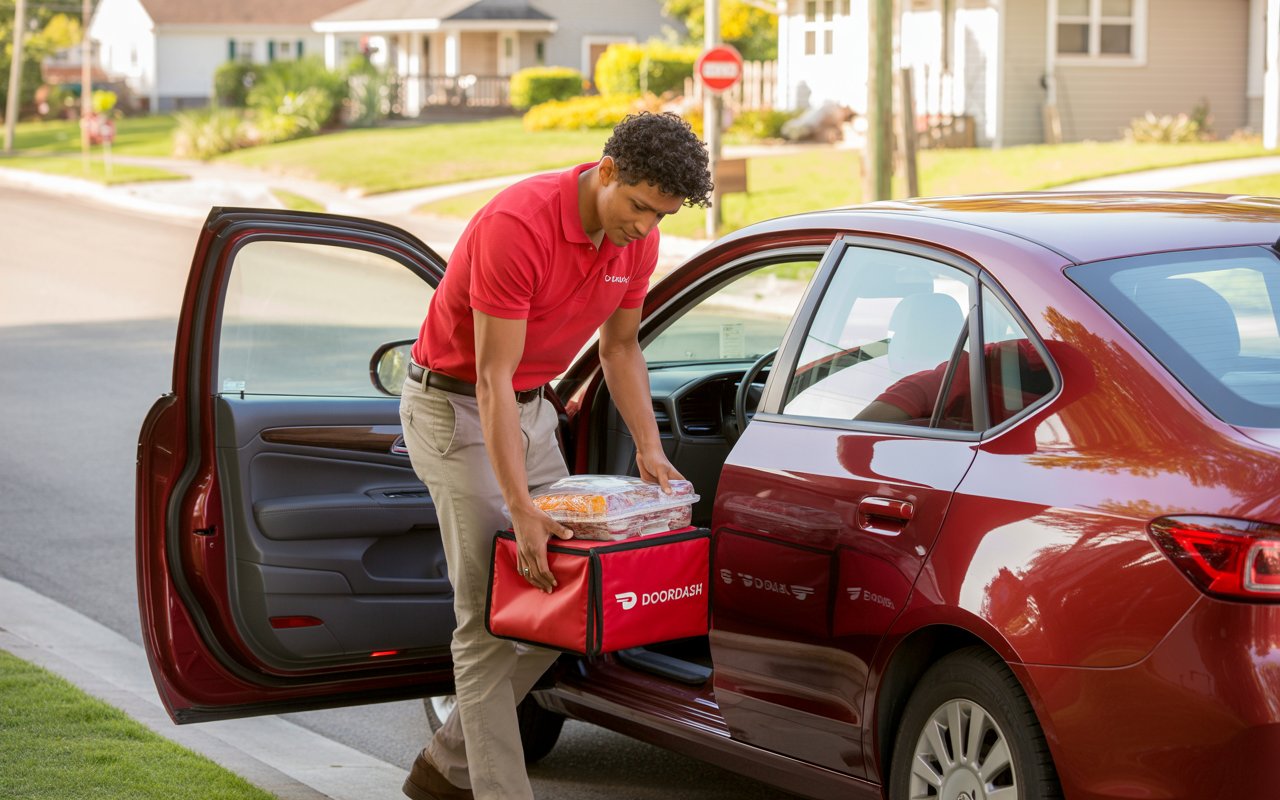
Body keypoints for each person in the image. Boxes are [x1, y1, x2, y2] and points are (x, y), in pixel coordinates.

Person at [397, 112, 714, 800]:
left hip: (531, 411)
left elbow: (621, 348)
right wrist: (522, 510)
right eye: (637, 206)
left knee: (563, 598)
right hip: (455, 410)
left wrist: (651, 449)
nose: (644, 225)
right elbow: (488, 379)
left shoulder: (638, 241)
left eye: (661, 214)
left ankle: (448, 767)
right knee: (489, 617)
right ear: (606, 172)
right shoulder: (520, 225)